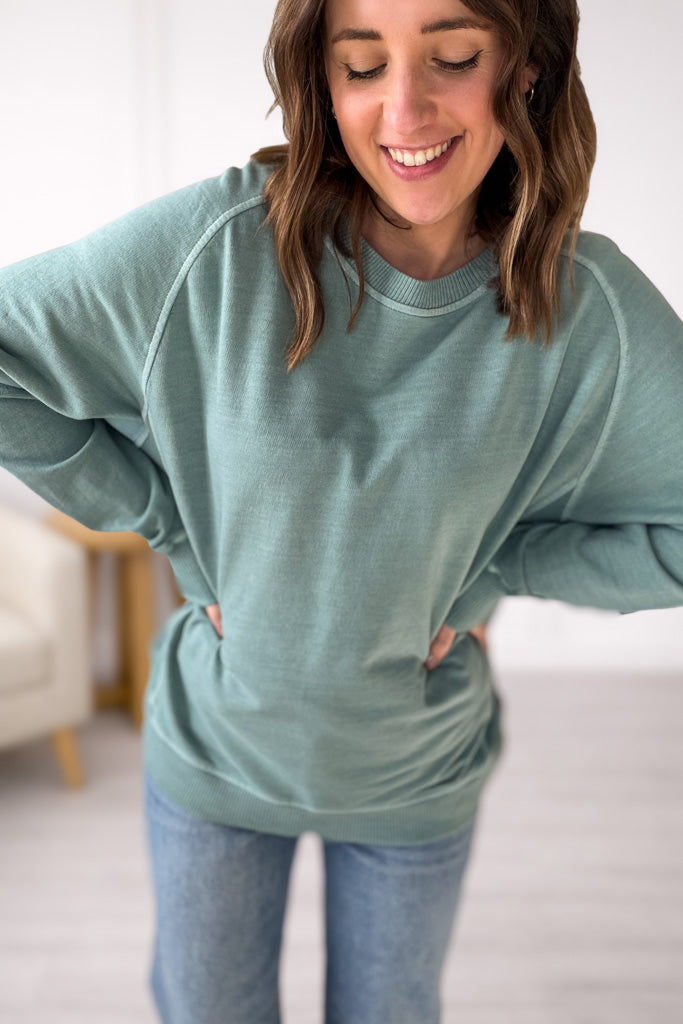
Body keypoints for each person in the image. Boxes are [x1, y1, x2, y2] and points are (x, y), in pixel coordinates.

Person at [1, 0, 681, 1020]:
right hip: (217, 750)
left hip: (414, 774)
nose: (404, 110)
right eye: (362, 66)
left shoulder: (581, 304)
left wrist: (497, 565)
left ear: (525, 67)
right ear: (322, 84)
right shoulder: (218, 249)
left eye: (453, 56)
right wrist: (170, 526)